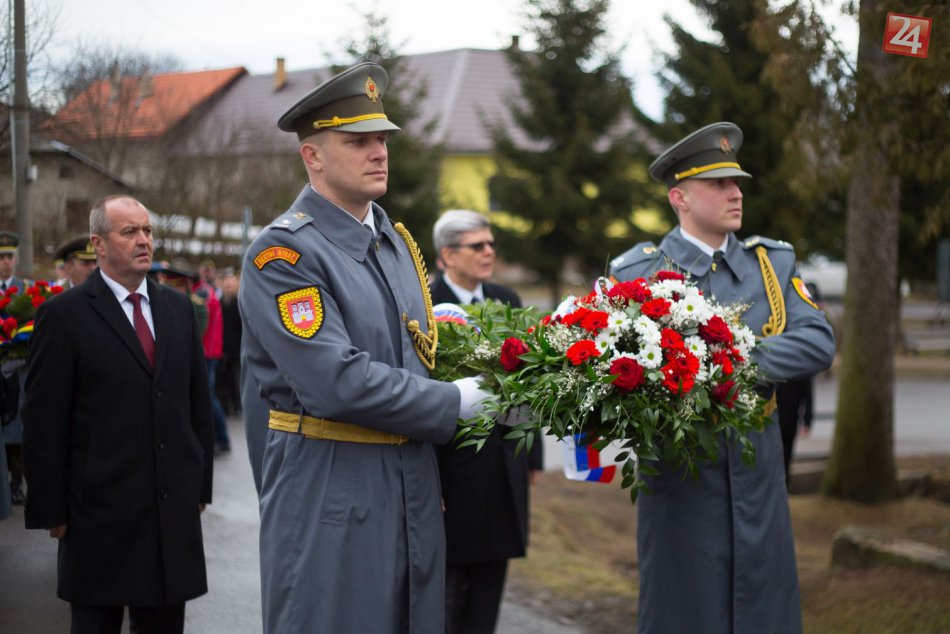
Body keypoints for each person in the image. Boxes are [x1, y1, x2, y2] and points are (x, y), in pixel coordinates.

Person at [239, 62, 498, 633]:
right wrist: (454, 403)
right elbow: (334, 381)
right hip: (332, 483)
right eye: (357, 141)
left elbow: (417, 357)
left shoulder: (396, 244)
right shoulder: (283, 254)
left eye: (382, 139)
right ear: (313, 157)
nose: (378, 152)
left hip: (409, 483)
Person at [608, 122, 835, 633]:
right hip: (681, 482)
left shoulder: (771, 265)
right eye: (718, 184)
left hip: (759, 475)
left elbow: (817, 340)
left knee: (765, 610)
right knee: (683, 610)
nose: (735, 193)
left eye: (737, 183)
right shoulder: (636, 276)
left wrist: (727, 360)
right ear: (679, 197)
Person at [21, 195, 214, 634]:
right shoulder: (63, 317)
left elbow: (196, 404)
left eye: (147, 230)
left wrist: (199, 486)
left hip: (169, 512)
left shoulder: (179, 309)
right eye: (130, 232)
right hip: (98, 515)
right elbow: (44, 420)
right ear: (99, 244)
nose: (143, 240)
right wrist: (51, 509)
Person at [430, 209, 543, 634]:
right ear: (447, 254)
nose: (489, 251)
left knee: (487, 593)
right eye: (477, 245)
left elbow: (530, 379)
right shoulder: (425, 305)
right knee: (444, 594)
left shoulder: (506, 300)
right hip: (451, 468)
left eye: (491, 243)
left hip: (501, 466)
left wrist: (531, 457)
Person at [0, 231, 28, 507]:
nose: (5, 262)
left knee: (17, 428)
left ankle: (16, 483)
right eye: (1, 257)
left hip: (17, 369)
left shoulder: (26, 291)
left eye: (9, 256)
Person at [776, 376, 814, 486]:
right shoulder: (800, 366)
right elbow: (808, 395)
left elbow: (808, 394)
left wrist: (807, 421)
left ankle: (783, 488)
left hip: (786, 421)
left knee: (784, 458)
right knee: (784, 459)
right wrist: (807, 421)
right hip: (787, 420)